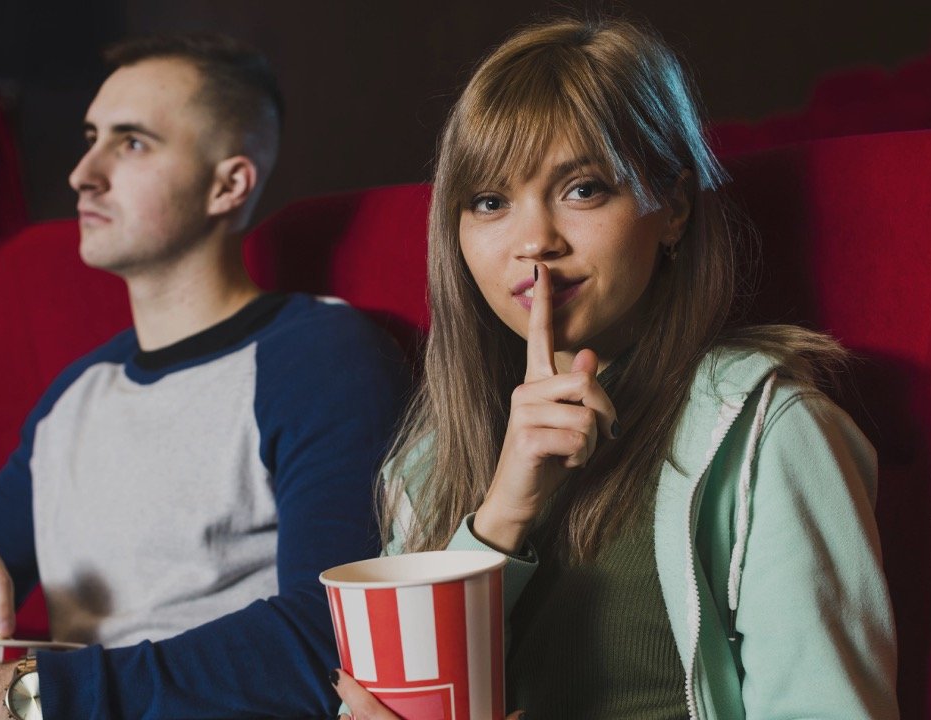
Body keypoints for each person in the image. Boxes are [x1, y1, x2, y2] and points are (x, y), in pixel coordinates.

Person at [333, 17, 898, 720]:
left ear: (675, 209)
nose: (534, 241)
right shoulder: (423, 466)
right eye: (489, 202)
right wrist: (503, 513)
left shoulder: (768, 431)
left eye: (583, 189)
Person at [0, 33, 410, 719]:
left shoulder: (320, 357)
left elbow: (330, 638)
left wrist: (19, 697)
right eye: (91, 136)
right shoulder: (78, 393)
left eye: (131, 143)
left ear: (229, 183)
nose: (83, 173)